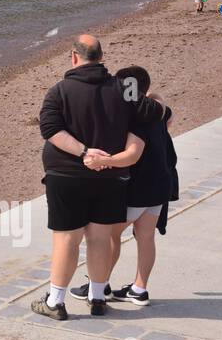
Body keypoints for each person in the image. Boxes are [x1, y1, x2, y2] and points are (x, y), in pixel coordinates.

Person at [31, 35, 148, 320]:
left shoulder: (59, 91)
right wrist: (107, 158)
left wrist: (84, 152)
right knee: (99, 237)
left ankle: (56, 301)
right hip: (110, 176)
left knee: (66, 239)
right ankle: (97, 297)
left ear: (74, 57)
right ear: (101, 57)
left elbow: (50, 129)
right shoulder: (124, 90)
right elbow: (144, 120)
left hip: (66, 175)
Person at [72, 66, 176, 308]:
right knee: (146, 236)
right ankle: (139, 289)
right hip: (160, 184)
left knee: (109, 236)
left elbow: (132, 155)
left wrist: (102, 161)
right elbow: (169, 114)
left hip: (138, 188)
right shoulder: (157, 111)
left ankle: (101, 284)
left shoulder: (137, 117)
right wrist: (155, 97)